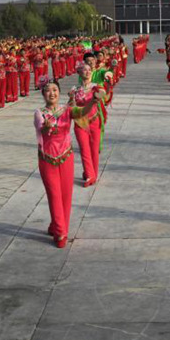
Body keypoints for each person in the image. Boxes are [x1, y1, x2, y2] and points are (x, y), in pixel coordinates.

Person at [33, 77, 103, 248]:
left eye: (55, 90)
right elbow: (41, 127)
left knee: (66, 195)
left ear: (59, 93)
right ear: (43, 93)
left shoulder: (67, 110)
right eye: (48, 90)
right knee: (54, 195)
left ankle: (56, 225)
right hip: (47, 159)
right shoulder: (39, 112)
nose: (52, 93)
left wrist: (93, 101)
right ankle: (61, 233)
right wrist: (47, 127)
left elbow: (81, 112)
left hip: (66, 157)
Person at [68, 63, 104, 187]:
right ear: (79, 73)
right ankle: (89, 175)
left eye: (90, 70)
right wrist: (71, 100)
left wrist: (99, 94)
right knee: (84, 149)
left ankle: (93, 173)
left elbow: (103, 92)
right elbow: (71, 106)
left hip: (94, 121)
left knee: (94, 149)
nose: (88, 72)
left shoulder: (95, 87)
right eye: (84, 70)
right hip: (80, 123)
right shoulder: (74, 89)